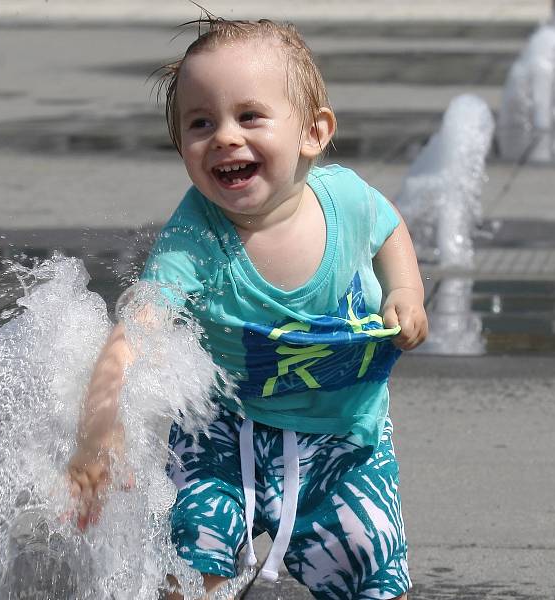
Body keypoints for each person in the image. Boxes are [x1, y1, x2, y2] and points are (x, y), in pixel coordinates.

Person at [67, 18, 427, 600]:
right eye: (200, 122)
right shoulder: (195, 237)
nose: (225, 137)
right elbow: (137, 327)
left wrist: (403, 292)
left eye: (250, 116)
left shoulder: (348, 200)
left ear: (313, 132)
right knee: (190, 548)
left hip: (342, 433)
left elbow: (389, 230)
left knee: (370, 559)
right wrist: (96, 432)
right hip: (222, 430)